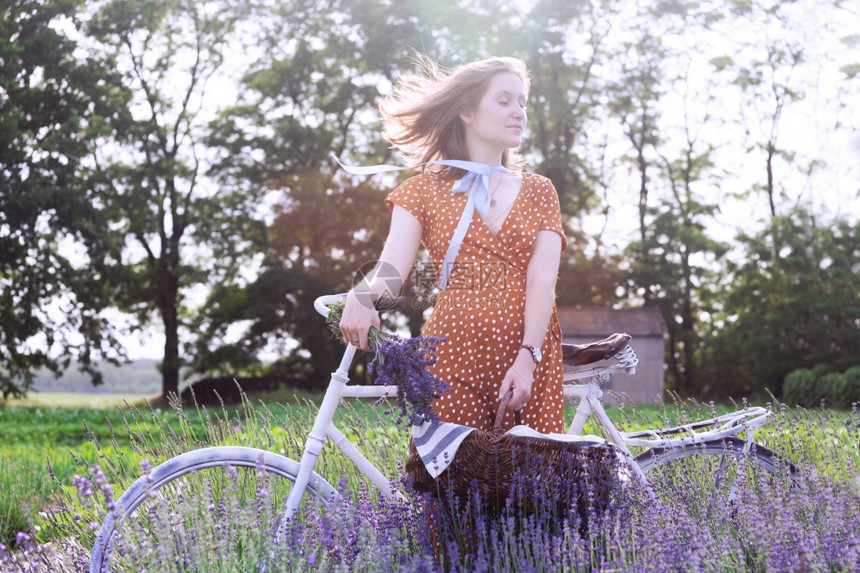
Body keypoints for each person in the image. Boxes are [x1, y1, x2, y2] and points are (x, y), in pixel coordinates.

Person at [338, 56, 567, 434]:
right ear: (467, 111)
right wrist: (361, 295)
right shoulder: (421, 190)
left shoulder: (540, 190)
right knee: (450, 483)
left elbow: (542, 281)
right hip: (453, 350)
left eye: (522, 102)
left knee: (535, 483)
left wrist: (528, 357)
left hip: (527, 352)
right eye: (505, 100)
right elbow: (391, 270)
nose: (519, 113)